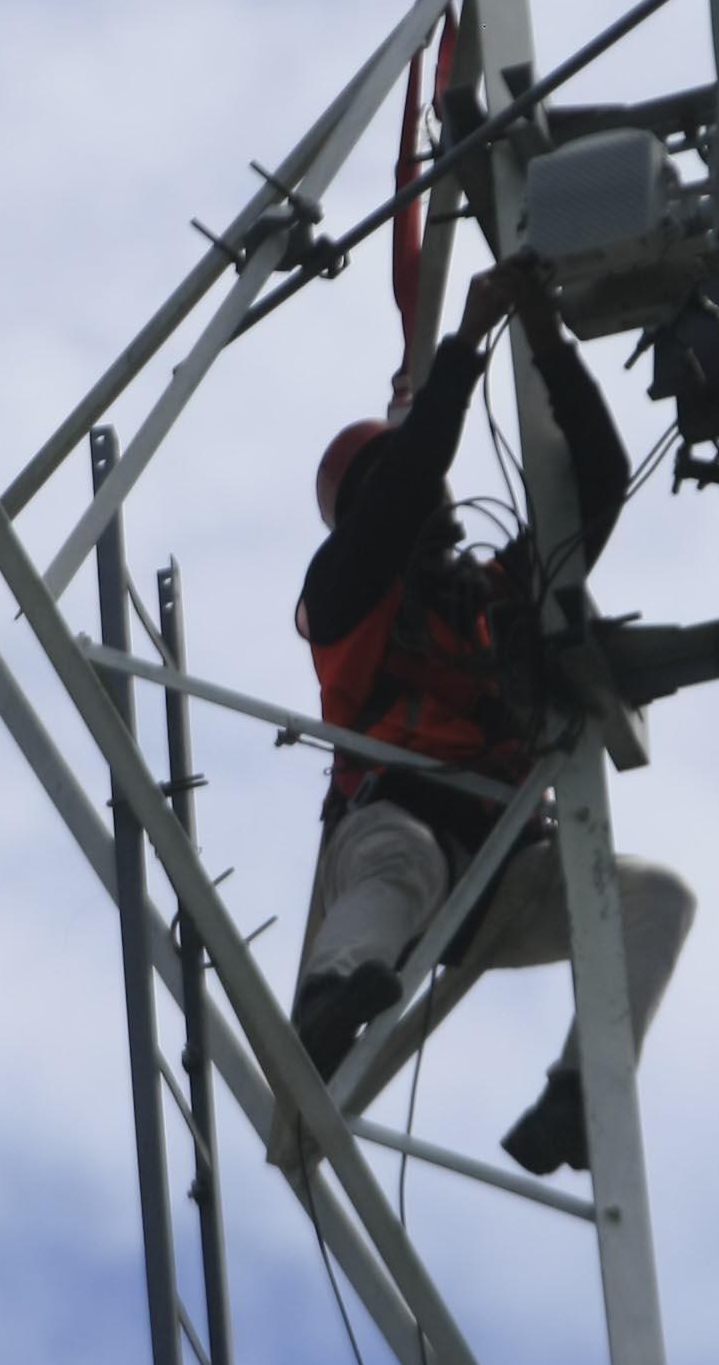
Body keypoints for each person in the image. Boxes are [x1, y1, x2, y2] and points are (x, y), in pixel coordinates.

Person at [288, 260, 695, 1176]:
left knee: (655, 897)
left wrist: (547, 342)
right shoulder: (348, 595)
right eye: (403, 487)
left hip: (501, 872)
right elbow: (405, 483)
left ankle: (581, 1096)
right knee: (405, 860)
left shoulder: (496, 602)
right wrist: (466, 344)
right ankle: (329, 1002)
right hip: (393, 831)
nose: (433, 500)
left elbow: (597, 484)